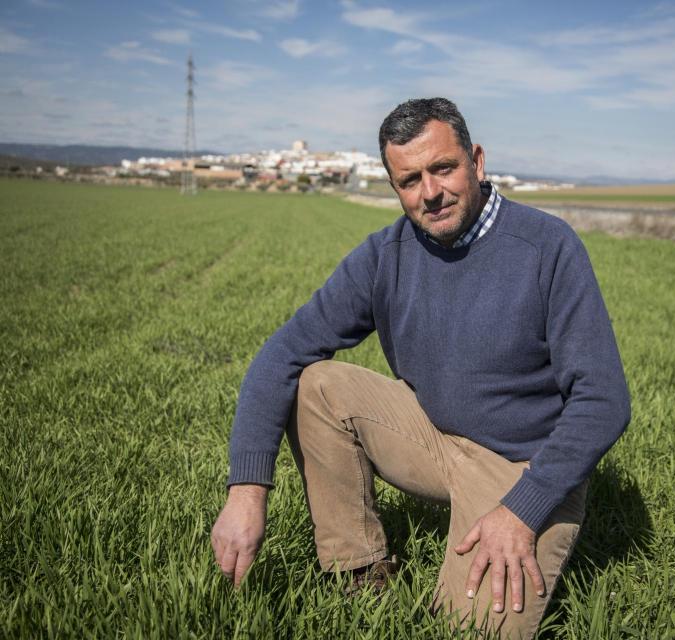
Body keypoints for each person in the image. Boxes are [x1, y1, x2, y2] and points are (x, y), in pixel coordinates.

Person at [211, 97, 631, 639]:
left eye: (443, 168)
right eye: (410, 180)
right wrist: (247, 491)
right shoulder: (385, 255)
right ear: (395, 187)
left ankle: (502, 536)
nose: (430, 193)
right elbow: (282, 354)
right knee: (317, 384)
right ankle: (362, 574)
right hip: (432, 435)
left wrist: (523, 509)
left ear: (476, 162)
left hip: (522, 467)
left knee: (470, 629)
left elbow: (603, 399)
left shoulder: (547, 247)